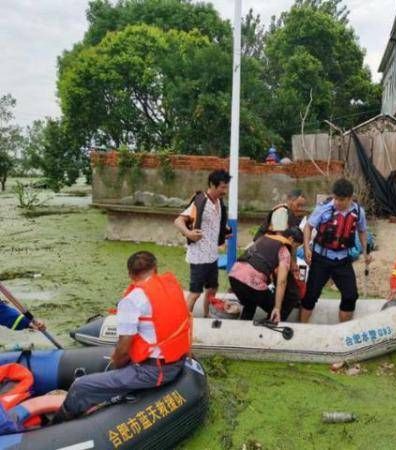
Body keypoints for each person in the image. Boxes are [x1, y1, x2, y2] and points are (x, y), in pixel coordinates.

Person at [53, 251, 191, 422]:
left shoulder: (132, 300)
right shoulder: (172, 286)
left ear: (130, 274)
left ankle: (55, 426)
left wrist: (117, 366)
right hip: (177, 360)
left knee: (81, 386)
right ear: (155, 268)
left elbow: (124, 348)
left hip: (154, 371)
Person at [301, 179, 371, 323]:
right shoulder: (324, 208)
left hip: (343, 260)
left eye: (342, 200)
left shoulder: (358, 212)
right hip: (321, 259)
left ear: (350, 198)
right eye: (336, 198)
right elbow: (308, 226)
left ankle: (342, 331)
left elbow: (362, 231)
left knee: (351, 296)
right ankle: (302, 327)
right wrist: (307, 247)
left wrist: (366, 251)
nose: (338, 202)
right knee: (311, 295)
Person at [174, 169, 232, 315]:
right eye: (222, 187)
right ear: (212, 185)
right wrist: (189, 233)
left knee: (212, 289)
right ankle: (185, 323)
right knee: (195, 293)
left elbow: (213, 224)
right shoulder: (200, 201)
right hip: (199, 257)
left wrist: (223, 233)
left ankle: (206, 315)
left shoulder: (219, 202)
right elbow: (179, 220)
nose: (225, 191)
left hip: (212, 256)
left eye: (226, 187)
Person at [229, 227, 304, 323]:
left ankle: (244, 330)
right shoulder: (284, 251)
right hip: (252, 282)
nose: (294, 249)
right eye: (296, 246)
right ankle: (270, 327)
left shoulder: (264, 238)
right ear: (291, 239)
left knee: (250, 304)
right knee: (280, 307)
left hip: (234, 277)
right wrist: (277, 307)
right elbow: (282, 281)